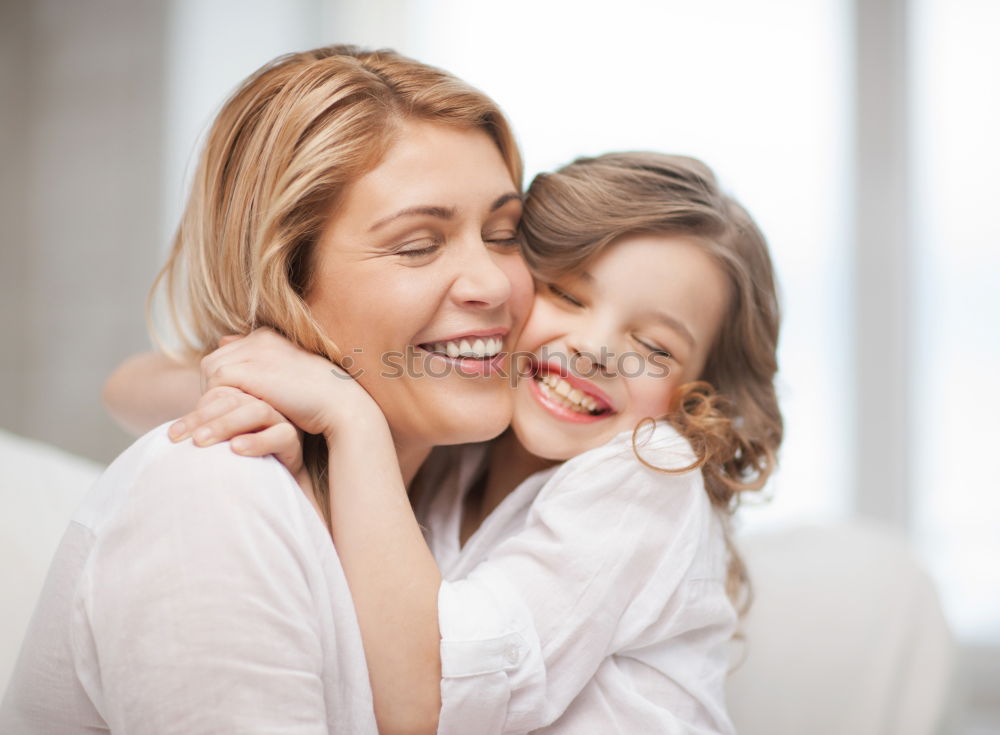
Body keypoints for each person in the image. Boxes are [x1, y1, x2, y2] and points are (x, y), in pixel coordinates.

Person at [110, 152, 783, 733]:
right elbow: (129, 389)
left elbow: (430, 706)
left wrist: (349, 412)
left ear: (698, 402)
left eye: (654, 346)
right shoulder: (462, 437)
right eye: (568, 295)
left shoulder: (651, 468)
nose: (596, 349)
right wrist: (289, 372)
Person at [0, 45, 534, 735]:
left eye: (505, 233)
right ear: (286, 276)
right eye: (417, 245)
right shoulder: (215, 497)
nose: (492, 283)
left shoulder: (464, 486)